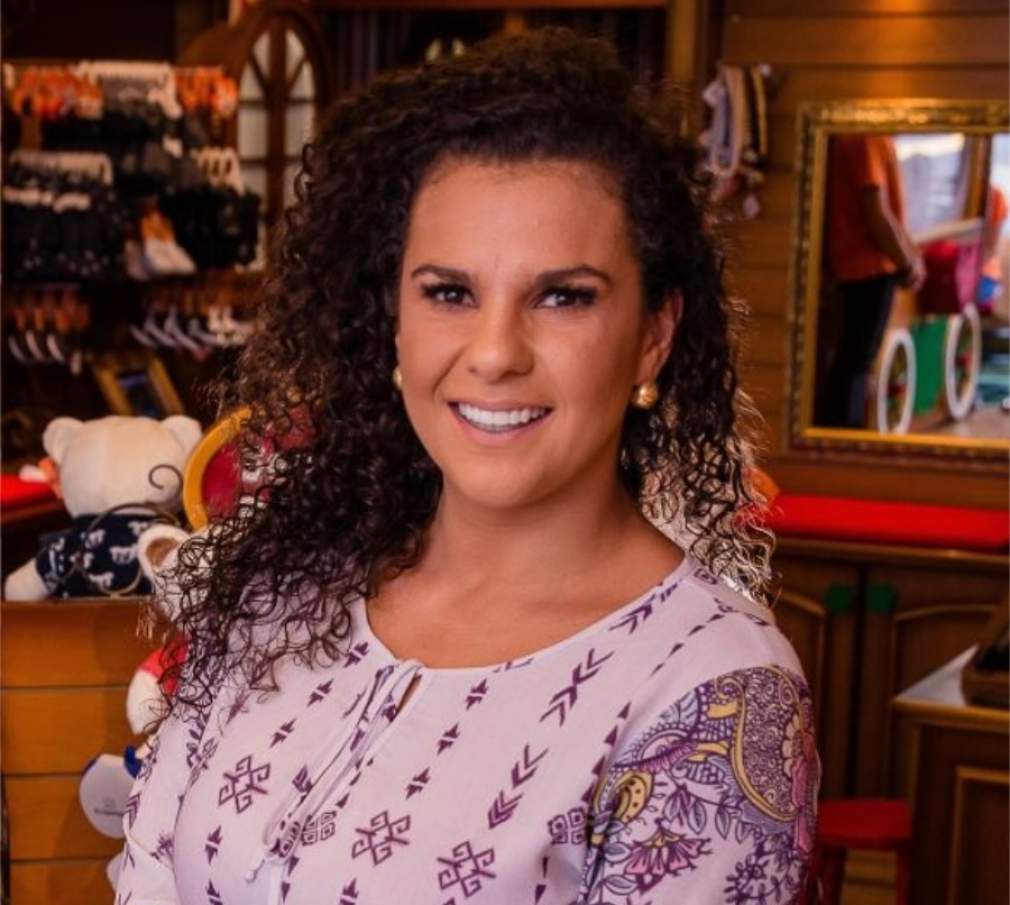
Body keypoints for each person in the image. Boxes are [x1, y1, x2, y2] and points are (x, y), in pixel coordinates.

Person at [117, 29, 820, 905]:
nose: (493, 353)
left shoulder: (712, 693)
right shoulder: (281, 587)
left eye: (562, 296)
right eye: (449, 292)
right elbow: (149, 870)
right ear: (394, 321)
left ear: (653, 335)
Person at [822, 134, 926, 428]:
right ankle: (842, 437)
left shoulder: (869, 138)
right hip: (867, 268)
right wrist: (906, 263)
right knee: (855, 363)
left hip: (860, 266)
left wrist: (909, 256)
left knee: (853, 361)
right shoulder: (867, 137)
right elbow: (876, 210)